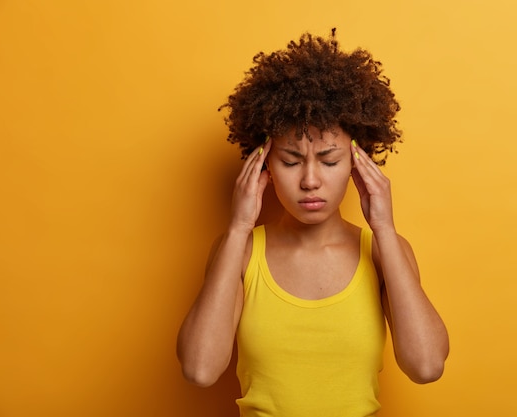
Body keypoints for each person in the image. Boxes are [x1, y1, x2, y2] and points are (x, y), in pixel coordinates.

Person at [177, 29, 449, 417]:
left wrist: (384, 228)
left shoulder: (384, 251)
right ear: (265, 164)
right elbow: (200, 369)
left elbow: (426, 366)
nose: (309, 180)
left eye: (329, 160)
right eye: (290, 161)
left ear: (357, 162)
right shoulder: (239, 250)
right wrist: (238, 227)